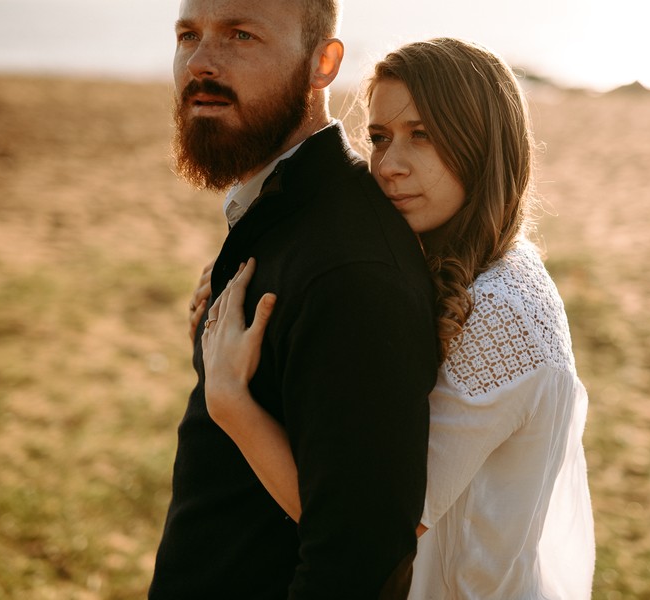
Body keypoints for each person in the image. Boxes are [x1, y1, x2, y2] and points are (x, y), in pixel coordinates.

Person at [197, 38, 596, 599]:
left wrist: (230, 402)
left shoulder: (506, 313)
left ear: (482, 144)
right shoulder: (465, 254)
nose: (389, 167)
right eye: (380, 138)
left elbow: (370, 530)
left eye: (423, 135)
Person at [149, 0, 440, 598]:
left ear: (323, 63)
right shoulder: (281, 207)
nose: (201, 62)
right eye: (188, 35)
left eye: (241, 35)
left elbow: (356, 557)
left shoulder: (351, 268)